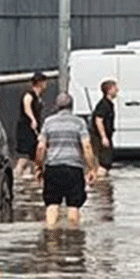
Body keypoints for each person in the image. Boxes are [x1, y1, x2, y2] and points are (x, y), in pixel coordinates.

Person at [36, 92, 99, 227]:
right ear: (72, 106)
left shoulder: (48, 122)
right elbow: (87, 146)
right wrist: (92, 168)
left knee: (52, 205)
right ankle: (74, 240)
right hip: (74, 168)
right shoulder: (79, 123)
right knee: (73, 206)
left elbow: (41, 147)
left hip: (53, 168)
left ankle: (51, 239)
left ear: (56, 106)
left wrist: (39, 167)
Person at [15, 72, 48, 179]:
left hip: (35, 128)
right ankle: (17, 176)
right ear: (39, 83)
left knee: (36, 156)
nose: (46, 85)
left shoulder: (39, 97)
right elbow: (27, 107)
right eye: (44, 82)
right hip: (26, 128)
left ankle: (36, 178)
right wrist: (32, 119)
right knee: (24, 156)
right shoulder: (29, 95)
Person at [90, 79, 118, 179]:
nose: (117, 90)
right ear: (109, 90)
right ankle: (101, 185)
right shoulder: (103, 105)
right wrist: (103, 137)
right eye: (115, 88)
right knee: (104, 163)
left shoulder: (108, 104)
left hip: (106, 136)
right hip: (101, 137)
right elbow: (99, 120)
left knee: (106, 163)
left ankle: (102, 186)